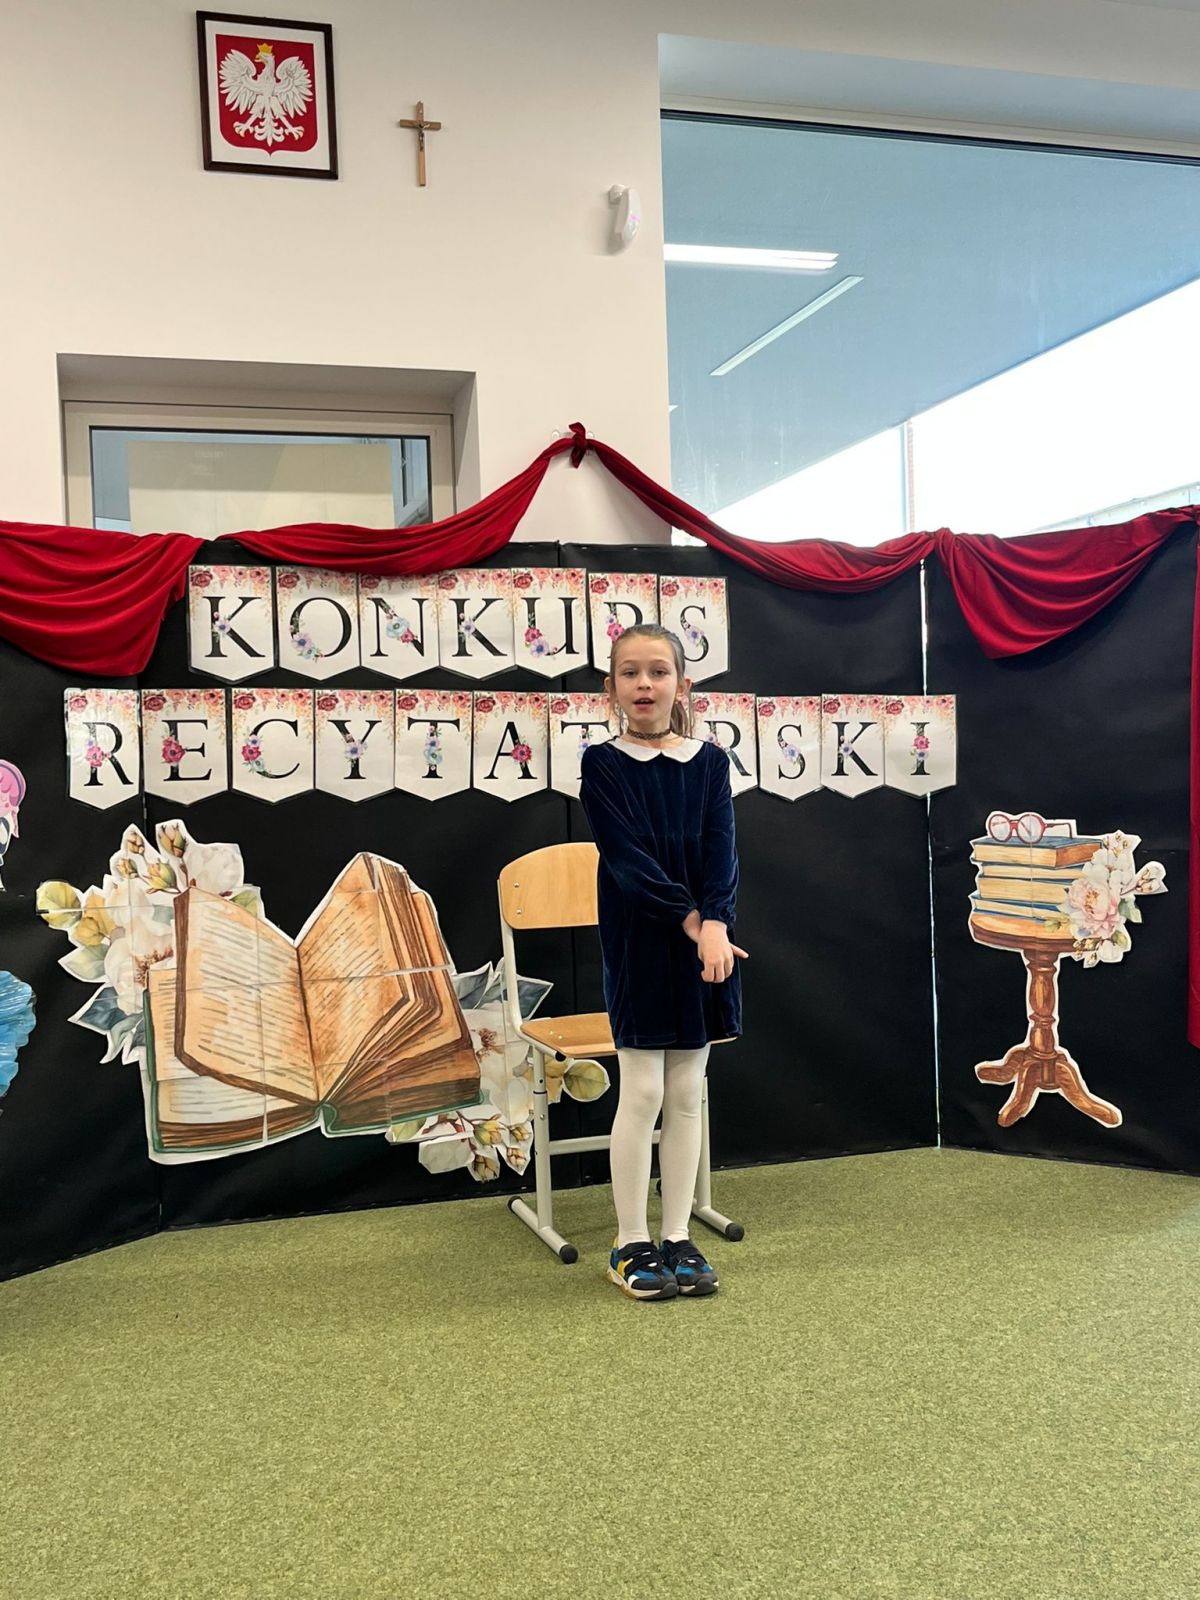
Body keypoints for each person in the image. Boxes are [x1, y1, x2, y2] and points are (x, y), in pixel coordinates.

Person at [579, 623, 746, 1301]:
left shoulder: (709, 763)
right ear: (611, 687)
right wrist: (694, 923)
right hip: (640, 941)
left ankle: (677, 1235)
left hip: (706, 944)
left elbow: (721, 852)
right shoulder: (602, 764)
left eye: (658, 671)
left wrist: (717, 923)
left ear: (683, 684)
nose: (644, 684)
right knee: (644, 1091)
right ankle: (629, 1241)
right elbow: (627, 862)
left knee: (685, 1093)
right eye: (630, 672)